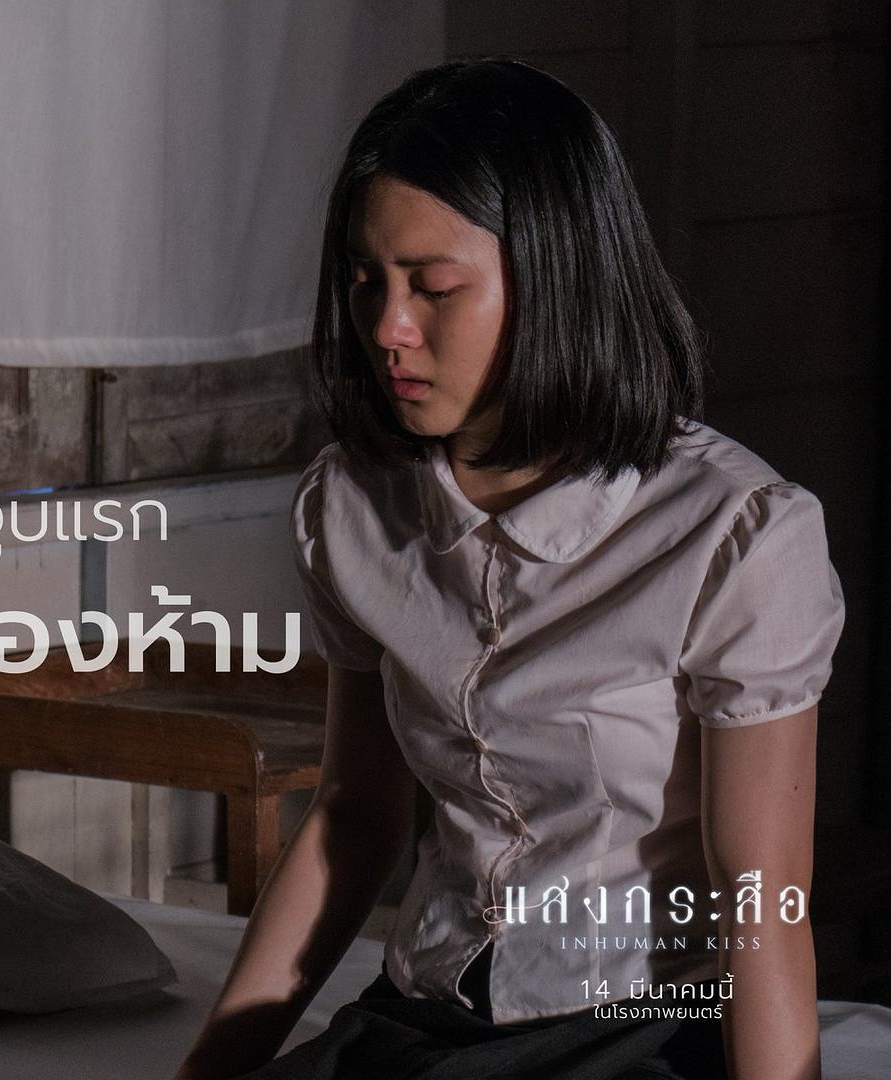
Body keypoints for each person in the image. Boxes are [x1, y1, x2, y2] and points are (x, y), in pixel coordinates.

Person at [175, 59, 846, 1080]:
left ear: (557, 279)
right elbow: (355, 815)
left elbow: (760, 891)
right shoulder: (349, 505)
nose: (388, 330)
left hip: (642, 1021)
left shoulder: (736, 532)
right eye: (365, 282)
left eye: (433, 287)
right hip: (427, 1011)